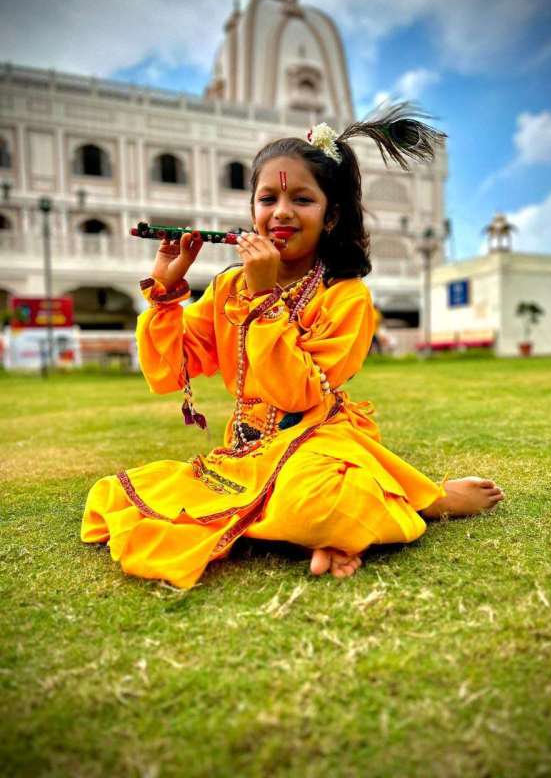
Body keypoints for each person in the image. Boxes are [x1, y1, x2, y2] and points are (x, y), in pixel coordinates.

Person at [81, 104, 504, 589]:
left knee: (316, 499)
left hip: (317, 440)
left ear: (330, 217)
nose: (281, 212)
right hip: (248, 452)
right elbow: (171, 370)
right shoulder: (226, 288)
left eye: (302, 199)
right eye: (267, 199)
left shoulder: (346, 296)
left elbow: (298, 394)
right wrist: (166, 293)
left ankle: (424, 500)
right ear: (252, 213)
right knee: (111, 496)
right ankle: (314, 533)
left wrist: (263, 298)